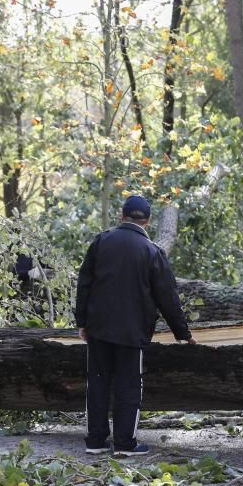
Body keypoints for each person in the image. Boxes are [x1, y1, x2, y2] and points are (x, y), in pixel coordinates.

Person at [75, 195, 195, 457]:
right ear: (148, 221)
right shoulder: (152, 251)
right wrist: (182, 333)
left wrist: (81, 322)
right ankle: (125, 443)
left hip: (98, 328)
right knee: (129, 385)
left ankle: (95, 441)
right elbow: (167, 296)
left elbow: (84, 284)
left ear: (122, 216)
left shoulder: (101, 241)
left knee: (97, 382)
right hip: (132, 332)